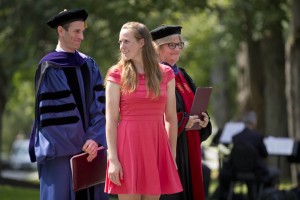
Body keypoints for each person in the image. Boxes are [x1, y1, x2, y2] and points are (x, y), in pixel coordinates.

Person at [28, 9, 108, 200]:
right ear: (61, 31)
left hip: (91, 151)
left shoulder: (89, 64)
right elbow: (54, 115)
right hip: (62, 154)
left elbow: (100, 105)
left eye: (82, 31)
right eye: (76, 31)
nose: (81, 37)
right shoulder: (49, 67)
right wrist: (84, 144)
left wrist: (94, 139)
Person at [104, 21, 183, 200]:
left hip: (156, 146)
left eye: (126, 41)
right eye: (120, 42)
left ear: (142, 42)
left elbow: (170, 118)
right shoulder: (116, 74)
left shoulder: (166, 74)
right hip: (127, 148)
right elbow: (111, 119)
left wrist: (171, 155)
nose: (122, 47)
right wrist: (113, 159)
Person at [151, 25, 212, 200]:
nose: (177, 49)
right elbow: (153, 114)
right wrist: (185, 122)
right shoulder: (154, 76)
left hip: (189, 145)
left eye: (180, 44)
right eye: (172, 45)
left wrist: (204, 119)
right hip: (170, 148)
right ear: (157, 47)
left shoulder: (182, 75)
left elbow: (193, 106)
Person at [216, 111, 279, 200]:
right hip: (255, 172)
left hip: (237, 172)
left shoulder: (236, 137)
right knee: (274, 172)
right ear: (254, 122)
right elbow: (265, 154)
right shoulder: (258, 137)